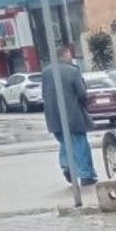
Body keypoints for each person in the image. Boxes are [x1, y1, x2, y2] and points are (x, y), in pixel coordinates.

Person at [41, 44, 98, 186]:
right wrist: (85, 104)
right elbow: (82, 93)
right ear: (66, 54)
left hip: (53, 116)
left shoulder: (46, 72)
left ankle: (67, 166)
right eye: (70, 54)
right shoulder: (72, 71)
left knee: (65, 142)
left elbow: (44, 94)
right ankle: (86, 174)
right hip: (73, 115)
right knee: (80, 144)